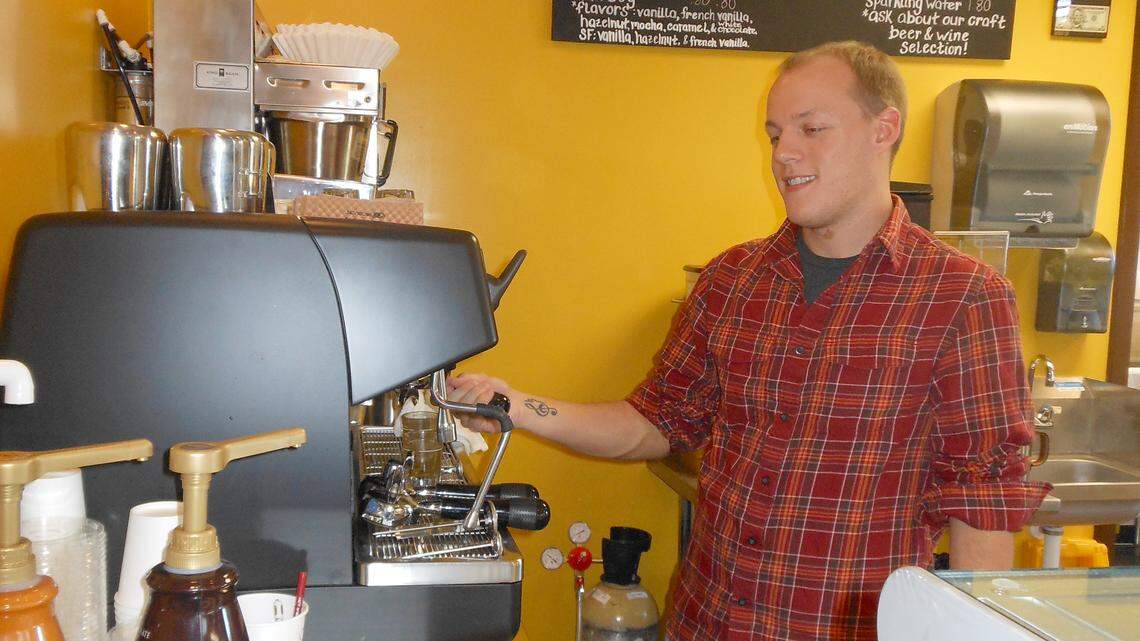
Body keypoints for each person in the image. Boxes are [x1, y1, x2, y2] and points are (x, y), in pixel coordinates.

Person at [449, 41, 1049, 640]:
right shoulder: (732, 280)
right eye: (774, 134)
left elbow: (986, 499)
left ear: (883, 129)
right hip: (705, 622)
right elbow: (654, 422)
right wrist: (517, 406)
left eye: (812, 129)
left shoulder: (963, 297)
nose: (784, 154)